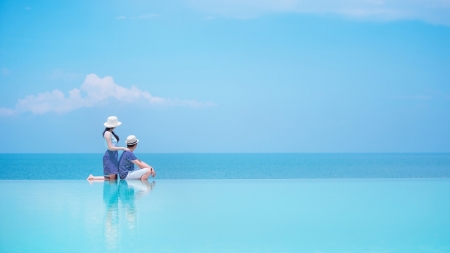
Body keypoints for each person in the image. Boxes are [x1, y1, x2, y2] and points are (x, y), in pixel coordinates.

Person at [87, 116, 130, 180]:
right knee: (112, 178)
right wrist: (123, 148)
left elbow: (113, 146)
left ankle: (93, 178)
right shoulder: (108, 133)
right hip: (110, 156)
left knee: (114, 178)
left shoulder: (110, 133)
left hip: (113, 155)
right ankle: (93, 178)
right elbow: (110, 147)